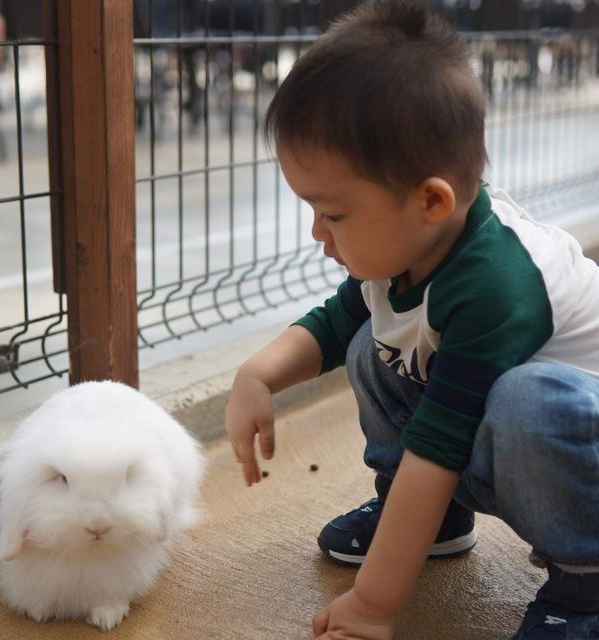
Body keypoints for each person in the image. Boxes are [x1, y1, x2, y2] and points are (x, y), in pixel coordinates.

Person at [225, 1, 599, 638]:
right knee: (374, 343)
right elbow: (333, 324)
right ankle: (438, 523)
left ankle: (585, 580)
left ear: (431, 200)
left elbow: (439, 445)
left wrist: (372, 604)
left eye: (333, 213)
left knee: (526, 399)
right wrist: (256, 375)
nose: (317, 232)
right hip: (509, 449)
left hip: (577, 461)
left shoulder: (496, 285)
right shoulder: (409, 249)